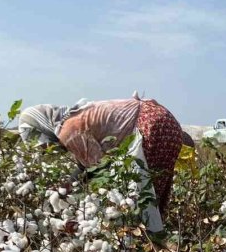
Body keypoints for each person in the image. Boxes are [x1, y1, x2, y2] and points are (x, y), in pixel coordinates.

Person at [18, 94, 184, 230]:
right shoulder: (73, 119)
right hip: (164, 122)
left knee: (142, 201)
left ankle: (150, 251)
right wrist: (69, 184)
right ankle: (156, 247)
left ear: (42, 127)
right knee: (152, 196)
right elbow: (85, 166)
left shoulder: (68, 130)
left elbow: (99, 170)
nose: (47, 147)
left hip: (153, 127)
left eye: (43, 143)